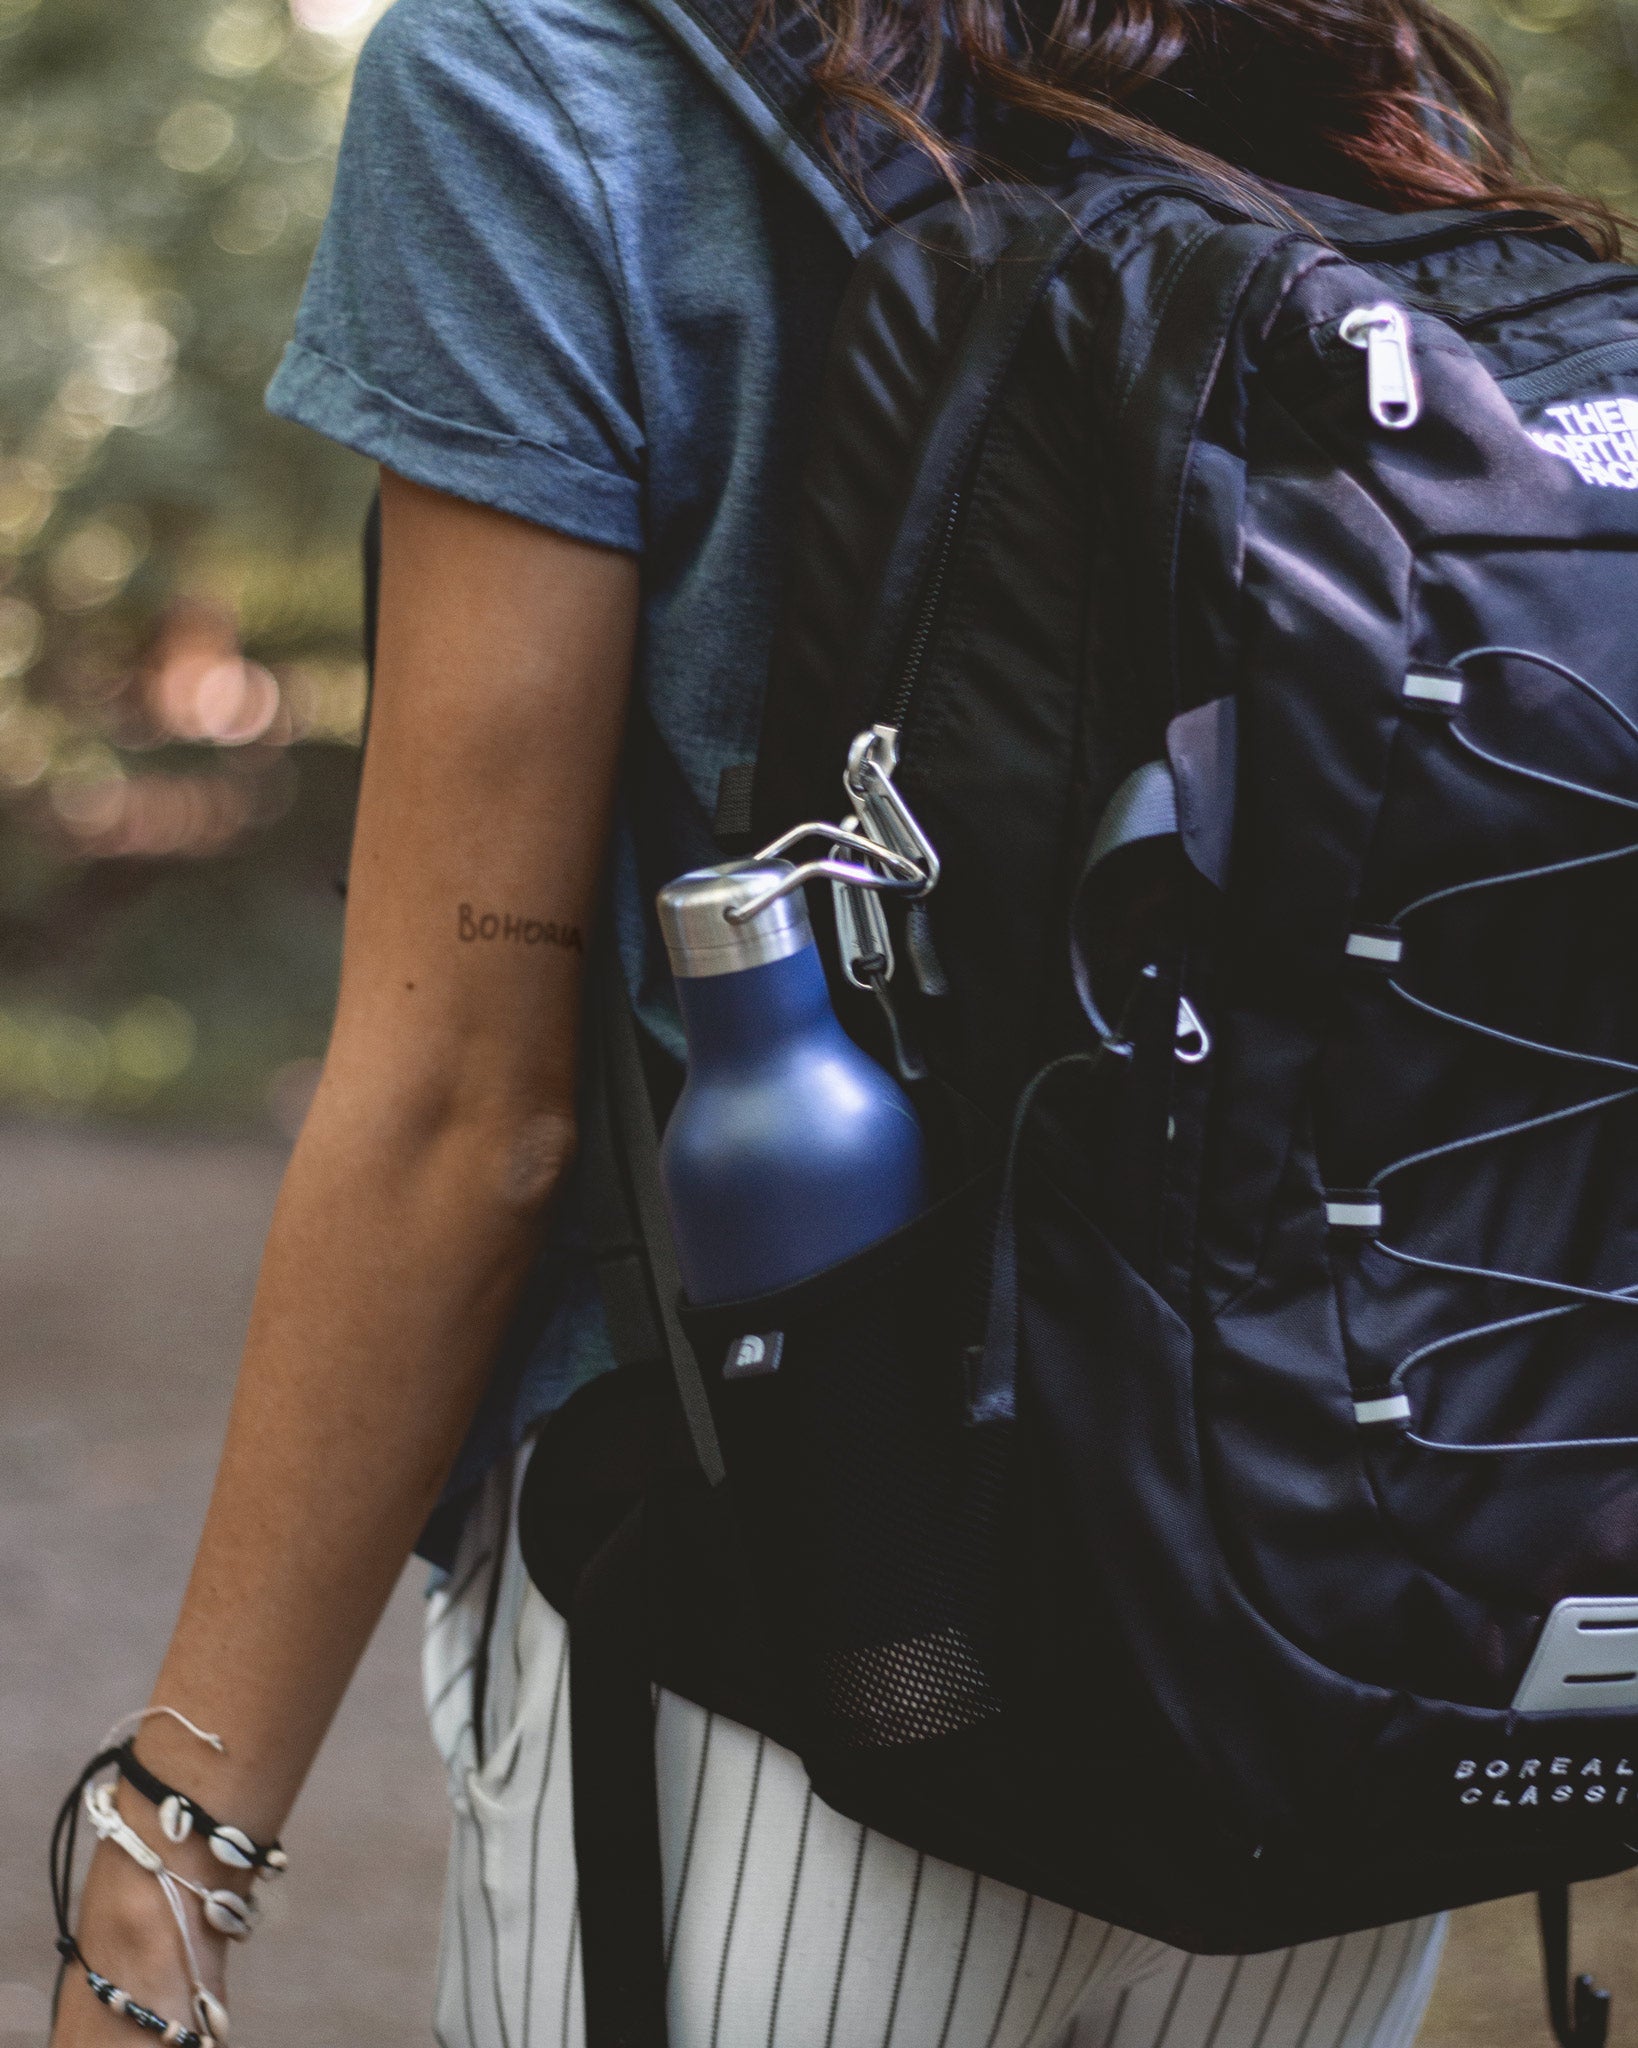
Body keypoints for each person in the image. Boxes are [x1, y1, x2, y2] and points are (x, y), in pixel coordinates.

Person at [48, 0, 1614, 2039]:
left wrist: (173, 1844)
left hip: (798, 1636)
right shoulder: (1328, 53)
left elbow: (469, 1110)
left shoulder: (543, 77)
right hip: (1313, 1593)